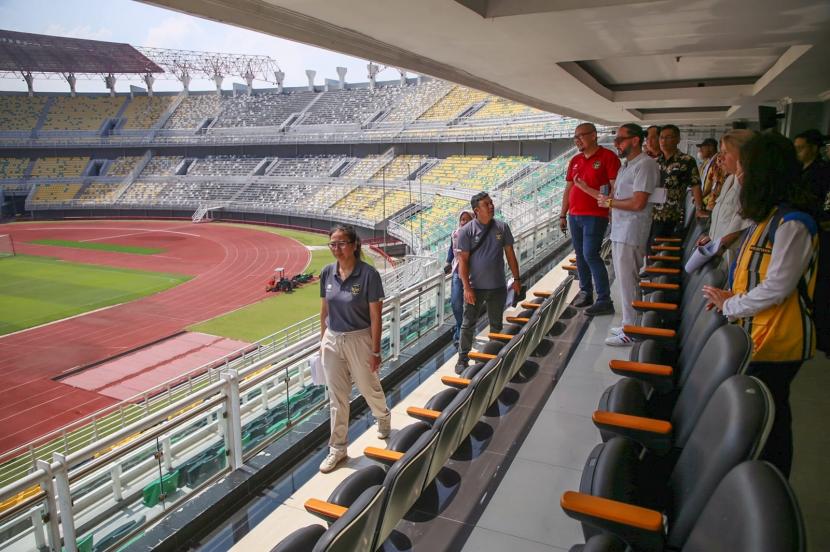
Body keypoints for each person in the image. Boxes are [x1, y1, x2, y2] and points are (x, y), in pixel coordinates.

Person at [702, 132, 819, 478]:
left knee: (771, 415)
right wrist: (729, 299)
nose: (738, 175)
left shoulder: (792, 224)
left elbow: (777, 288)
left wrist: (731, 305)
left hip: (778, 340)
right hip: (756, 333)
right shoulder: (766, 218)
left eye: (744, 168)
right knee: (757, 411)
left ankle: (770, 480)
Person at [318, 225, 391, 473]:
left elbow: (376, 317)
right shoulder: (327, 273)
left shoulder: (369, 275)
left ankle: (382, 416)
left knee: (368, 386)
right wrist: (322, 341)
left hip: (359, 338)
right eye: (333, 244)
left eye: (341, 243)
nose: (336, 248)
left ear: (354, 245)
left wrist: (375, 351)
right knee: (337, 397)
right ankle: (338, 449)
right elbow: (324, 310)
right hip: (332, 339)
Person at [598, 124, 659, 346]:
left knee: (628, 281)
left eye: (621, 139)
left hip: (631, 231)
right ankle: (628, 323)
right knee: (624, 280)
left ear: (635, 140)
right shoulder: (627, 165)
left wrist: (610, 203)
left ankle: (631, 331)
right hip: (620, 229)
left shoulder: (646, 165)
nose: (616, 144)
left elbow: (638, 202)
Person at [456, 192, 521, 373]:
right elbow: (463, 261)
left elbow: (510, 254)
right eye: (486, 204)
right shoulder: (466, 231)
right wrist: (466, 287)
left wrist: (517, 279)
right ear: (477, 210)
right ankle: (462, 358)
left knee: (496, 324)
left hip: (498, 286)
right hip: (475, 288)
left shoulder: (502, 227)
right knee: (468, 324)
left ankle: (494, 357)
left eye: (491, 203)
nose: (491, 206)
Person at [560, 122, 620, 315]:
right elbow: (569, 188)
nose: (577, 140)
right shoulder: (575, 160)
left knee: (590, 254)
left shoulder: (608, 157)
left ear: (593, 135)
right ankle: (586, 292)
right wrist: (562, 213)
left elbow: (615, 188)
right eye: (575, 137)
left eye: (581, 136)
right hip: (574, 215)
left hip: (595, 215)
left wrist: (611, 208)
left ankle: (604, 300)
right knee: (580, 255)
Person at [696, 130, 756, 267]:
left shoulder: (751, 188)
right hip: (717, 257)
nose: (720, 157)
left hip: (732, 260)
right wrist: (711, 237)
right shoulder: (730, 180)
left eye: (725, 152)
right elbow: (723, 218)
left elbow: (742, 226)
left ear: (743, 155)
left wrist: (720, 245)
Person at [793, 128, 829, 354]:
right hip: (802, 234)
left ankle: (821, 336)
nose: (797, 152)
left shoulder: (823, 172)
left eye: (801, 148)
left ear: (814, 148)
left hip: (820, 235)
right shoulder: (799, 171)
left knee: (821, 286)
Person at [651, 124, 703, 240]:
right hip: (651, 213)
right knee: (649, 247)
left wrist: (699, 209)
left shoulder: (686, 161)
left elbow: (695, 184)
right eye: (661, 137)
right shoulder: (654, 162)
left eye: (668, 137)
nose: (663, 141)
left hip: (672, 215)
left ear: (678, 139)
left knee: (662, 247)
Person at [445, 210, 474, 347]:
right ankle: (461, 328)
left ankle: (461, 334)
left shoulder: (476, 235)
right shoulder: (455, 234)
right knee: (456, 303)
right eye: (462, 219)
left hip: (473, 273)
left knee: (469, 306)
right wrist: (447, 262)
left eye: (467, 219)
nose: (464, 222)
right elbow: (452, 249)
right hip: (458, 272)